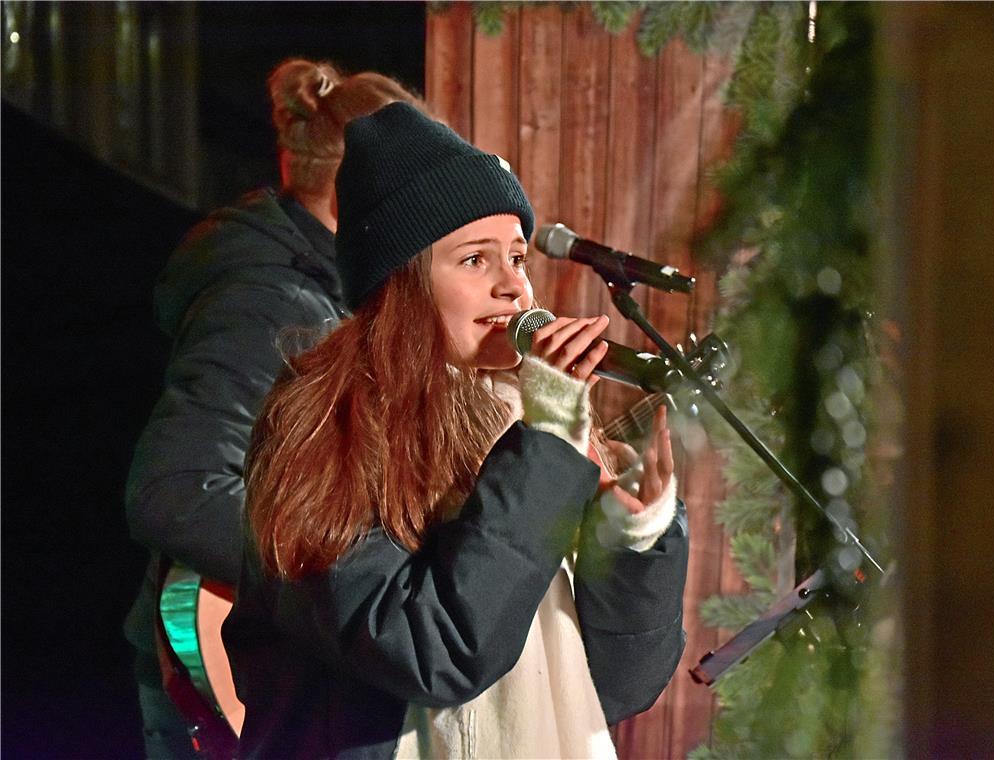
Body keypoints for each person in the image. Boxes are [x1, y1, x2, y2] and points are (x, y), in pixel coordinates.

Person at [221, 102, 690, 759]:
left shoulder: (530, 417)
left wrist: (631, 537)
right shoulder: (323, 424)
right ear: (403, 281)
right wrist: (549, 443)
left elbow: (616, 686)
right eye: (475, 260)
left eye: (518, 258)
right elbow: (431, 651)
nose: (514, 289)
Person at [123, 59, 424, 758]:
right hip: (239, 677)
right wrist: (341, 570)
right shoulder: (268, 299)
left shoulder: (322, 290)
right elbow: (173, 494)